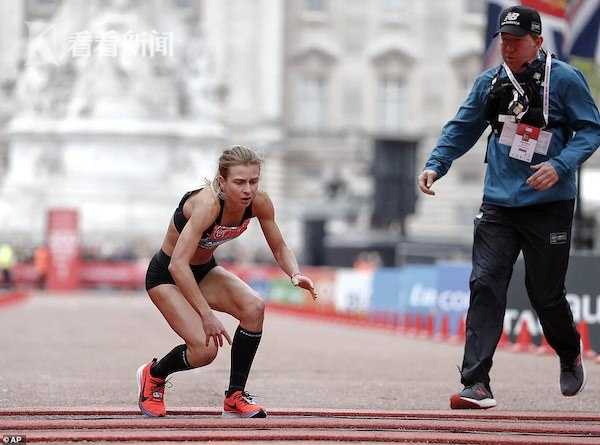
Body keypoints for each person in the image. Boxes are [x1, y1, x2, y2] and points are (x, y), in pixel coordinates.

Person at [418, 5, 600, 410]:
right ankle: (476, 383)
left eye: (516, 41)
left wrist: (559, 165)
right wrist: (436, 164)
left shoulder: (566, 80)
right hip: (499, 204)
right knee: (485, 284)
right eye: (503, 40)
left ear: (537, 41)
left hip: (550, 204)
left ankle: (569, 353)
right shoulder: (490, 82)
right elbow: (461, 127)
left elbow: (591, 130)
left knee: (545, 294)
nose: (508, 47)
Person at [138, 145, 317, 418]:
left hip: (204, 271)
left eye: (254, 181)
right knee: (205, 350)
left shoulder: (259, 202)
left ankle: (235, 396)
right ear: (222, 181)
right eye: (239, 182)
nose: (248, 189)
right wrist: (206, 314)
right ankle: (154, 375)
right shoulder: (207, 205)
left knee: (254, 307)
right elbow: (178, 264)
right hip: (168, 276)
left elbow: (279, 245)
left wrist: (294, 273)